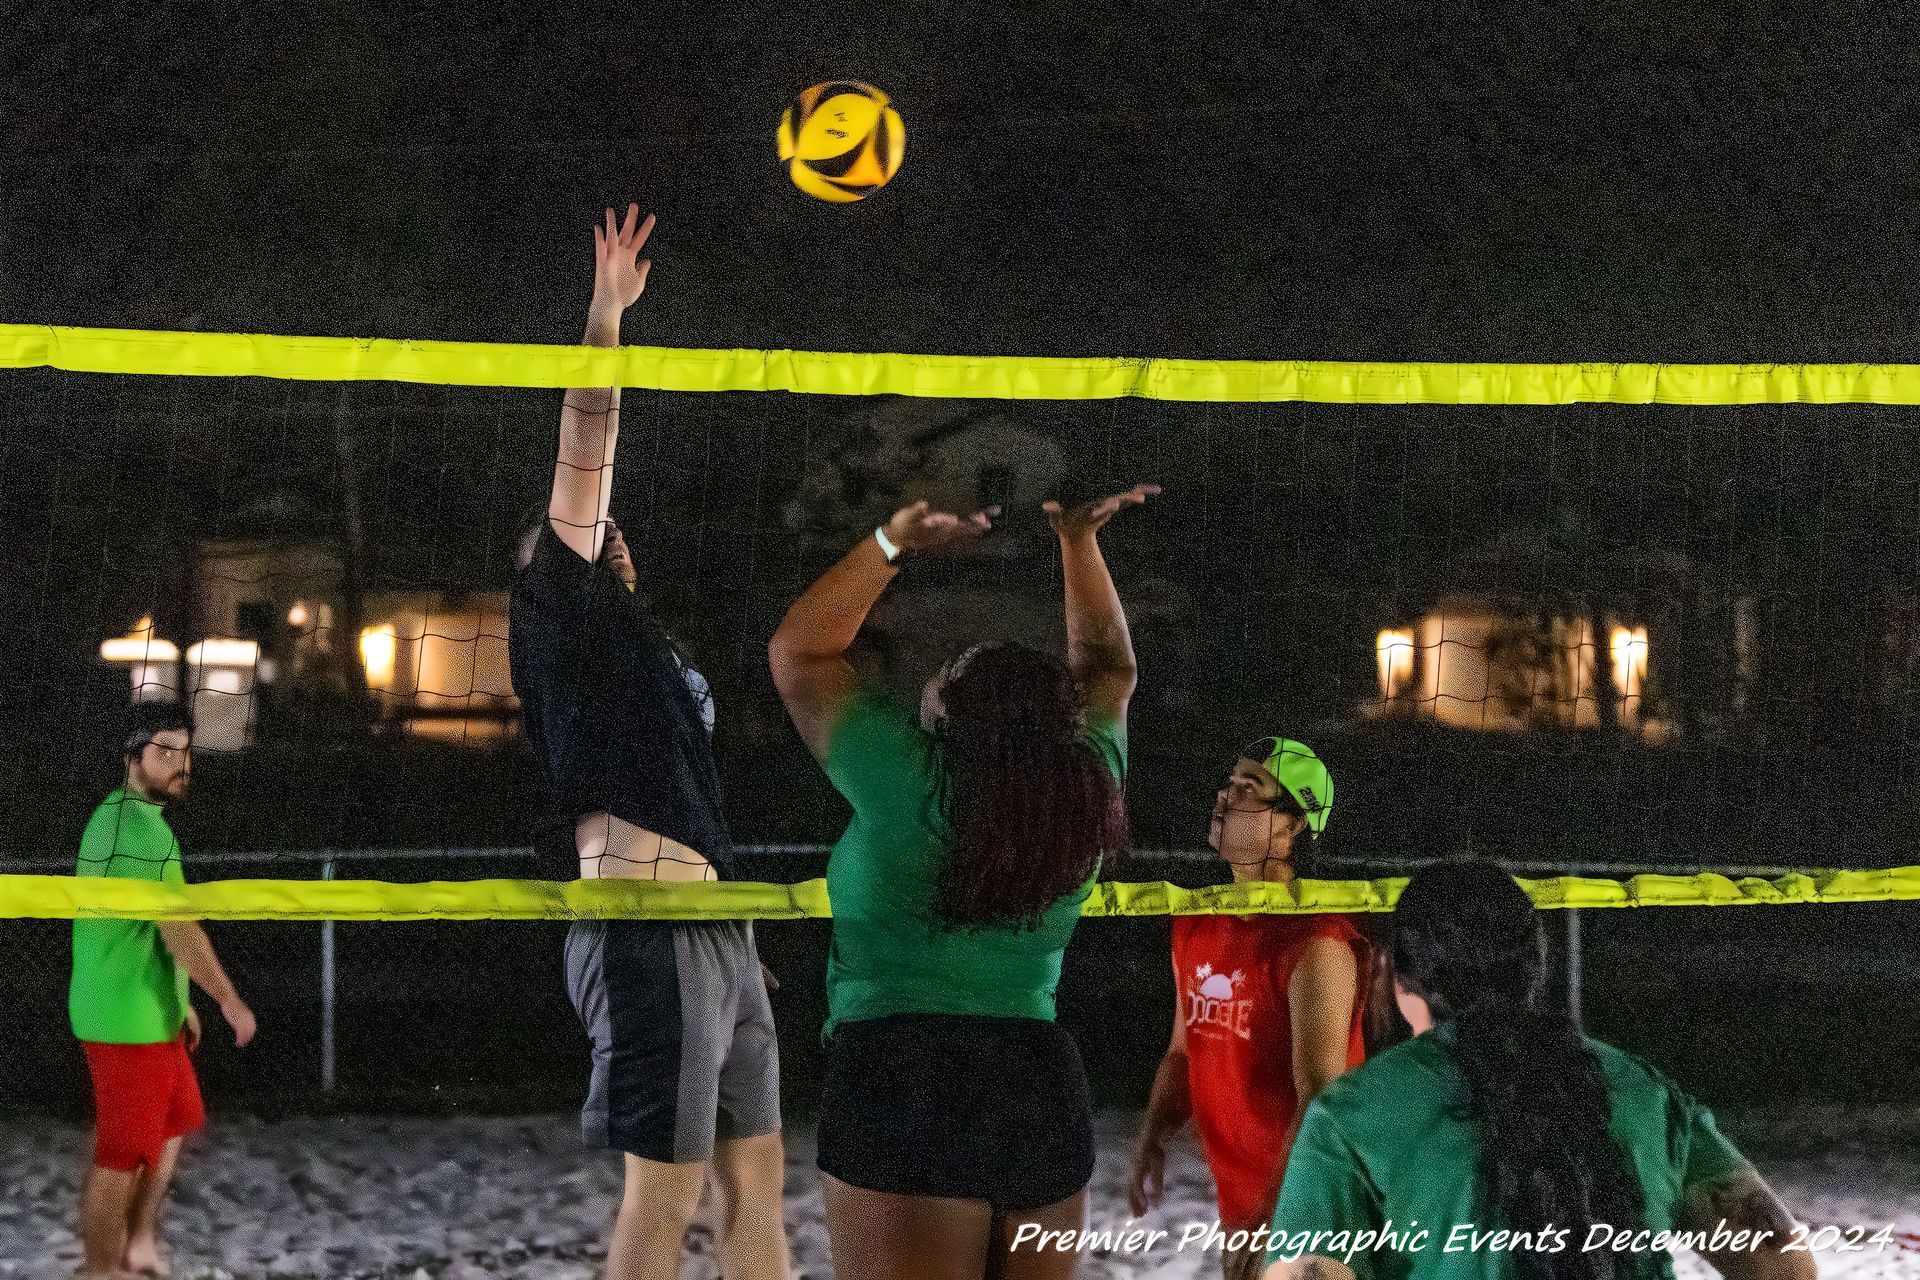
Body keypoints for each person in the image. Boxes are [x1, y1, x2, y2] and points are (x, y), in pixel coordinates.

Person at [769, 484, 1156, 1280]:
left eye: (942, 675)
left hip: (905, 1076)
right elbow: (1110, 667)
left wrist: (889, 542)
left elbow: (801, 651)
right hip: (1039, 1084)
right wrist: (1079, 543)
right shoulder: (1083, 785)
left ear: (950, 714)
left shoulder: (906, 776)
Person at [506, 204, 788, 1280]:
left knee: (758, 1183)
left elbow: (692, 789)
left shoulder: (650, 656)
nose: (608, 533)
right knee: (662, 1196)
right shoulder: (560, 609)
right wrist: (607, 310)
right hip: (643, 927)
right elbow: (587, 439)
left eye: (613, 530)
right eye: (582, 531)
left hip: (714, 922)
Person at [1263, 858, 1816, 1280]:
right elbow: (1784, 1265)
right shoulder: (1642, 1088)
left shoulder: (1353, 1114)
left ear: (1396, 975)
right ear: (1534, 969)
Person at [1131, 737, 1369, 1280]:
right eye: (1228, 782)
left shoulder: (1318, 943)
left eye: (1249, 789)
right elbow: (1182, 1048)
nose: (1224, 796)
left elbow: (1320, 1101)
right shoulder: (1195, 919)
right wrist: (1152, 1135)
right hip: (1241, 1197)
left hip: (1313, 1202)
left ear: (1290, 829)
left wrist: (1272, 1221)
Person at [69, 701, 257, 1280]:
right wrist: (228, 998)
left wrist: (182, 1003)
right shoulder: (133, 829)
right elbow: (179, 930)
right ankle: (101, 1271)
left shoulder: (140, 822)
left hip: (152, 1009)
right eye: (165, 751)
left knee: (178, 1118)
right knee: (122, 1152)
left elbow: (156, 926)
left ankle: (140, 1243)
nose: (181, 763)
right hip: (122, 1017)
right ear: (133, 757)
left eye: (185, 751)